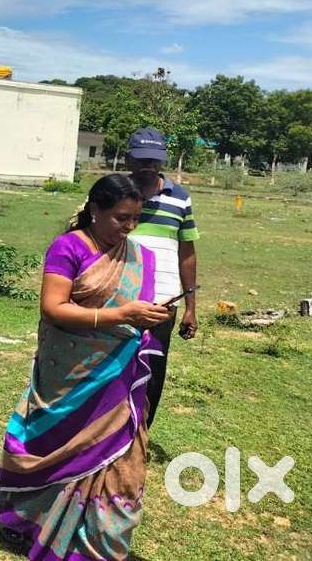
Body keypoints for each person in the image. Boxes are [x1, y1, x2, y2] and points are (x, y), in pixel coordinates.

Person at [0, 174, 170, 561]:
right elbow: (53, 308)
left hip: (117, 381)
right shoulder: (68, 247)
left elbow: (132, 305)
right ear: (95, 210)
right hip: (69, 376)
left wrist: (150, 315)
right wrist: (121, 313)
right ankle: (33, 523)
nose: (129, 227)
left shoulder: (138, 257)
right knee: (54, 445)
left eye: (135, 218)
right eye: (120, 218)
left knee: (121, 465)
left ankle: (95, 547)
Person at [126, 127, 200, 427]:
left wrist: (192, 307)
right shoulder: (115, 191)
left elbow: (187, 253)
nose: (148, 167)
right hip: (117, 298)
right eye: (142, 160)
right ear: (129, 158)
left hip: (163, 302)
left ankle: (140, 434)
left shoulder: (179, 198)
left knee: (153, 369)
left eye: (154, 161)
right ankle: (104, 436)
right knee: (110, 367)